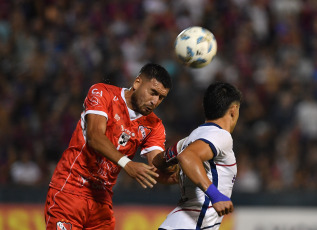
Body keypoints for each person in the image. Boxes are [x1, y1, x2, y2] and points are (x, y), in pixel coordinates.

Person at [44, 63, 174, 230]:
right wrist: (128, 164)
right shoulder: (102, 93)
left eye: (161, 97)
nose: (155, 101)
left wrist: (178, 169)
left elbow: (156, 164)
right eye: (153, 92)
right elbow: (95, 137)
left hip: (102, 201)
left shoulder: (154, 125)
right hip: (70, 189)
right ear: (137, 83)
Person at [153, 82, 242, 230]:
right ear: (233, 110)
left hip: (174, 224)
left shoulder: (188, 140)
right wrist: (215, 195)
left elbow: (158, 162)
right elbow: (187, 157)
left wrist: (181, 176)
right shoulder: (221, 136)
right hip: (192, 225)